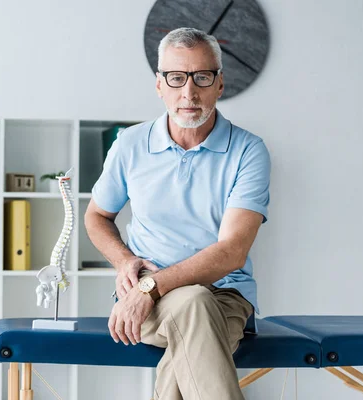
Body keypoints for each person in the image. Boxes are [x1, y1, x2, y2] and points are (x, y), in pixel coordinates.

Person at [84, 27, 271, 400]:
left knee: (197, 302)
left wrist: (151, 288)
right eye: (176, 78)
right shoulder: (130, 145)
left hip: (225, 296)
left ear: (219, 84)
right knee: (192, 305)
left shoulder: (249, 151)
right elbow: (97, 216)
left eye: (202, 77)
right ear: (159, 85)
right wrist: (124, 263)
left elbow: (232, 250)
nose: (189, 92)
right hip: (145, 301)